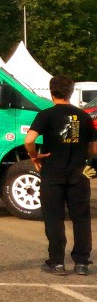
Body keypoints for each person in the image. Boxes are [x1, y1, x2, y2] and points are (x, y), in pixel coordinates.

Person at [24, 75, 97, 276]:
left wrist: (34, 156)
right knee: (81, 217)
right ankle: (81, 262)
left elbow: (29, 139)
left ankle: (56, 262)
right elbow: (93, 148)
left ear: (51, 91)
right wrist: (85, 156)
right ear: (71, 92)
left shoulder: (46, 115)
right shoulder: (84, 117)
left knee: (54, 217)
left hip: (52, 172)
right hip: (79, 173)